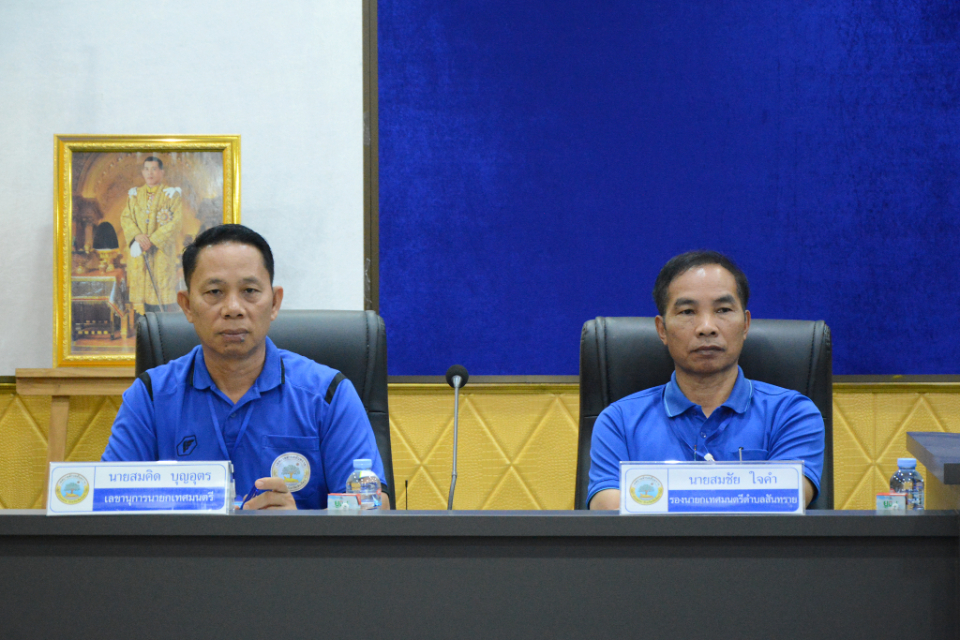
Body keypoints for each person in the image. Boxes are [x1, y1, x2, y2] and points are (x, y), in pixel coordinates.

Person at [102, 224, 390, 510]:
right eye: (214, 292)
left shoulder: (328, 394)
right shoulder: (150, 396)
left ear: (274, 303)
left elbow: (375, 510)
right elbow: (107, 506)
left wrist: (299, 526)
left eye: (249, 291)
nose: (233, 308)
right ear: (187, 305)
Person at [588, 251, 825, 510]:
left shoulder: (792, 413)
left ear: (746, 324)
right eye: (687, 311)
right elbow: (607, 510)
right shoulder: (619, 421)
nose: (706, 327)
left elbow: (784, 501)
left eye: (723, 310)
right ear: (662, 330)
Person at [120, 156, 183, 314]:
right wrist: (137, 236)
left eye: (154, 169)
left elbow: (176, 222)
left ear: (161, 172)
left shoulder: (171, 195)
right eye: (147, 169)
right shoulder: (134, 195)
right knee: (142, 306)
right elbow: (126, 218)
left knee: (161, 301)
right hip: (140, 254)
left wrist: (153, 240)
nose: (150, 173)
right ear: (142, 172)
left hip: (161, 254)